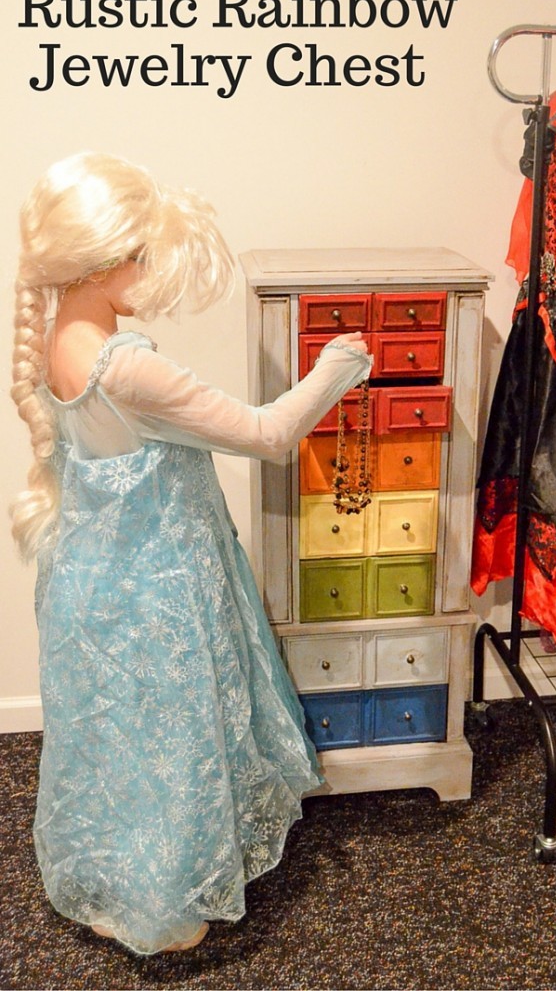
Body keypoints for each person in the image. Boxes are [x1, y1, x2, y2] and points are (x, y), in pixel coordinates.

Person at [10, 151, 371, 955]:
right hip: (156, 584)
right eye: (140, 255)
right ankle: (166, 906)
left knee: (119, 738)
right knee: (173, 737)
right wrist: (335, 370)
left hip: (92, 577)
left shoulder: (58, 339)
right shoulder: (125, 365)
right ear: (104, 262)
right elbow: (268, 435)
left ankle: (117, 876)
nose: (146, 270)